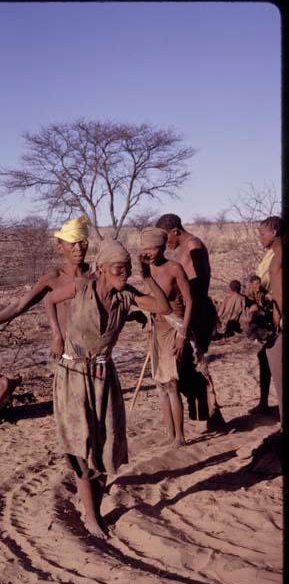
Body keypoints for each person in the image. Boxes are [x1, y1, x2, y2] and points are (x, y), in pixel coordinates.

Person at [45, 239, 171, 538]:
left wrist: (147, 275)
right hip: (73, 374)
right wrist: (56, 335)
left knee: (105, 444)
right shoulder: (81, 288)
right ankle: (91, 515)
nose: (124, 274)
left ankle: (94, 509)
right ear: (101, 268)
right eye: (118, 269)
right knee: (82, 444)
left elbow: (163, 307)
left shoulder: (126, 296)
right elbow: (49, 300)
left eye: (127, 269)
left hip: (103, 376)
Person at [139, 227, 224, 441]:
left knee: (172, 383)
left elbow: (189, 301)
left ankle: (180, 437)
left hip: (174, 329)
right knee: (160, 385)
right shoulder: (147, 271)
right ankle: (170, 434)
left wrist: (182, 333)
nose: (148, 253)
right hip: (157, 331)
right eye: (144, 248)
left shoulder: (173, 268)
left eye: (152, 248)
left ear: (161, 248)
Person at [0, 216, 92, 338]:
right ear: (60, 247)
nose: (78, 249)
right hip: (68, 351)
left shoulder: (97, 274)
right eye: (72, 244)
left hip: (98, 350)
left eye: (82, 242)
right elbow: (19, 306)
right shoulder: (54, 278)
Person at [155, 213, 217, 353]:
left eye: (166, 237)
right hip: (189, 308)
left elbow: (200, 280)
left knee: (193, 359)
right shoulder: (181, 248)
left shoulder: (193, 244)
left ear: (175, 231)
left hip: (197, 310)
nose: (165, 242)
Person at [259, 216, 283, 422]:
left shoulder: (281, 254)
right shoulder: (274, 255)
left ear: (274, 232)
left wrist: (279, 310)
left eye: (262, 233)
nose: (260, 238)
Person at [244, 275, 274, 415]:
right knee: (264, 364)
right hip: (262, 332)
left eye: (258, 283)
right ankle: (263, 403)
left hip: (270, 331)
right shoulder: (249, 298)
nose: (256, 286)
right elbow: (251, 312)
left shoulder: (266, 295)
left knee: (266, 364)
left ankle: (263, 403)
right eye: (254, 283)